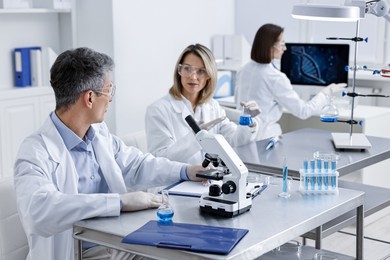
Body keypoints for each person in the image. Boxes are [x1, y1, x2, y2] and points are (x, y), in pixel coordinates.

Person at [13, 47, 205, 260]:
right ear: (89, 98)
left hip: (117, 244)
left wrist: (186, 171)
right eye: (109, 90)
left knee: (189, 252)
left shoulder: (99, 133)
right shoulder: (35, 151)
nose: (111, 99)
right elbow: (39, 212)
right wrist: (119, 202)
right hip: (77, 253)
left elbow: (136, 164)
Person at [145, 43, 261, 165]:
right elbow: (160, 160)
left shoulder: (212, 106)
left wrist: (248, 121)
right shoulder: (158, 110)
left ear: (209, 76)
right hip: (178, 181)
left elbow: (236, 141)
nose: (193, 76)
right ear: (179, 71)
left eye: (201, 71)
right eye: (187, 69)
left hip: (208, 178)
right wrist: (196, 138)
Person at [235, 23, 347, 140]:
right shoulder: (275, 77)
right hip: (264, 139)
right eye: (282, 43)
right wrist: (325, 92)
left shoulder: (243, 70)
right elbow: (303, 111)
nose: (285, 48)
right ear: (271, 46)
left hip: (243, 137)